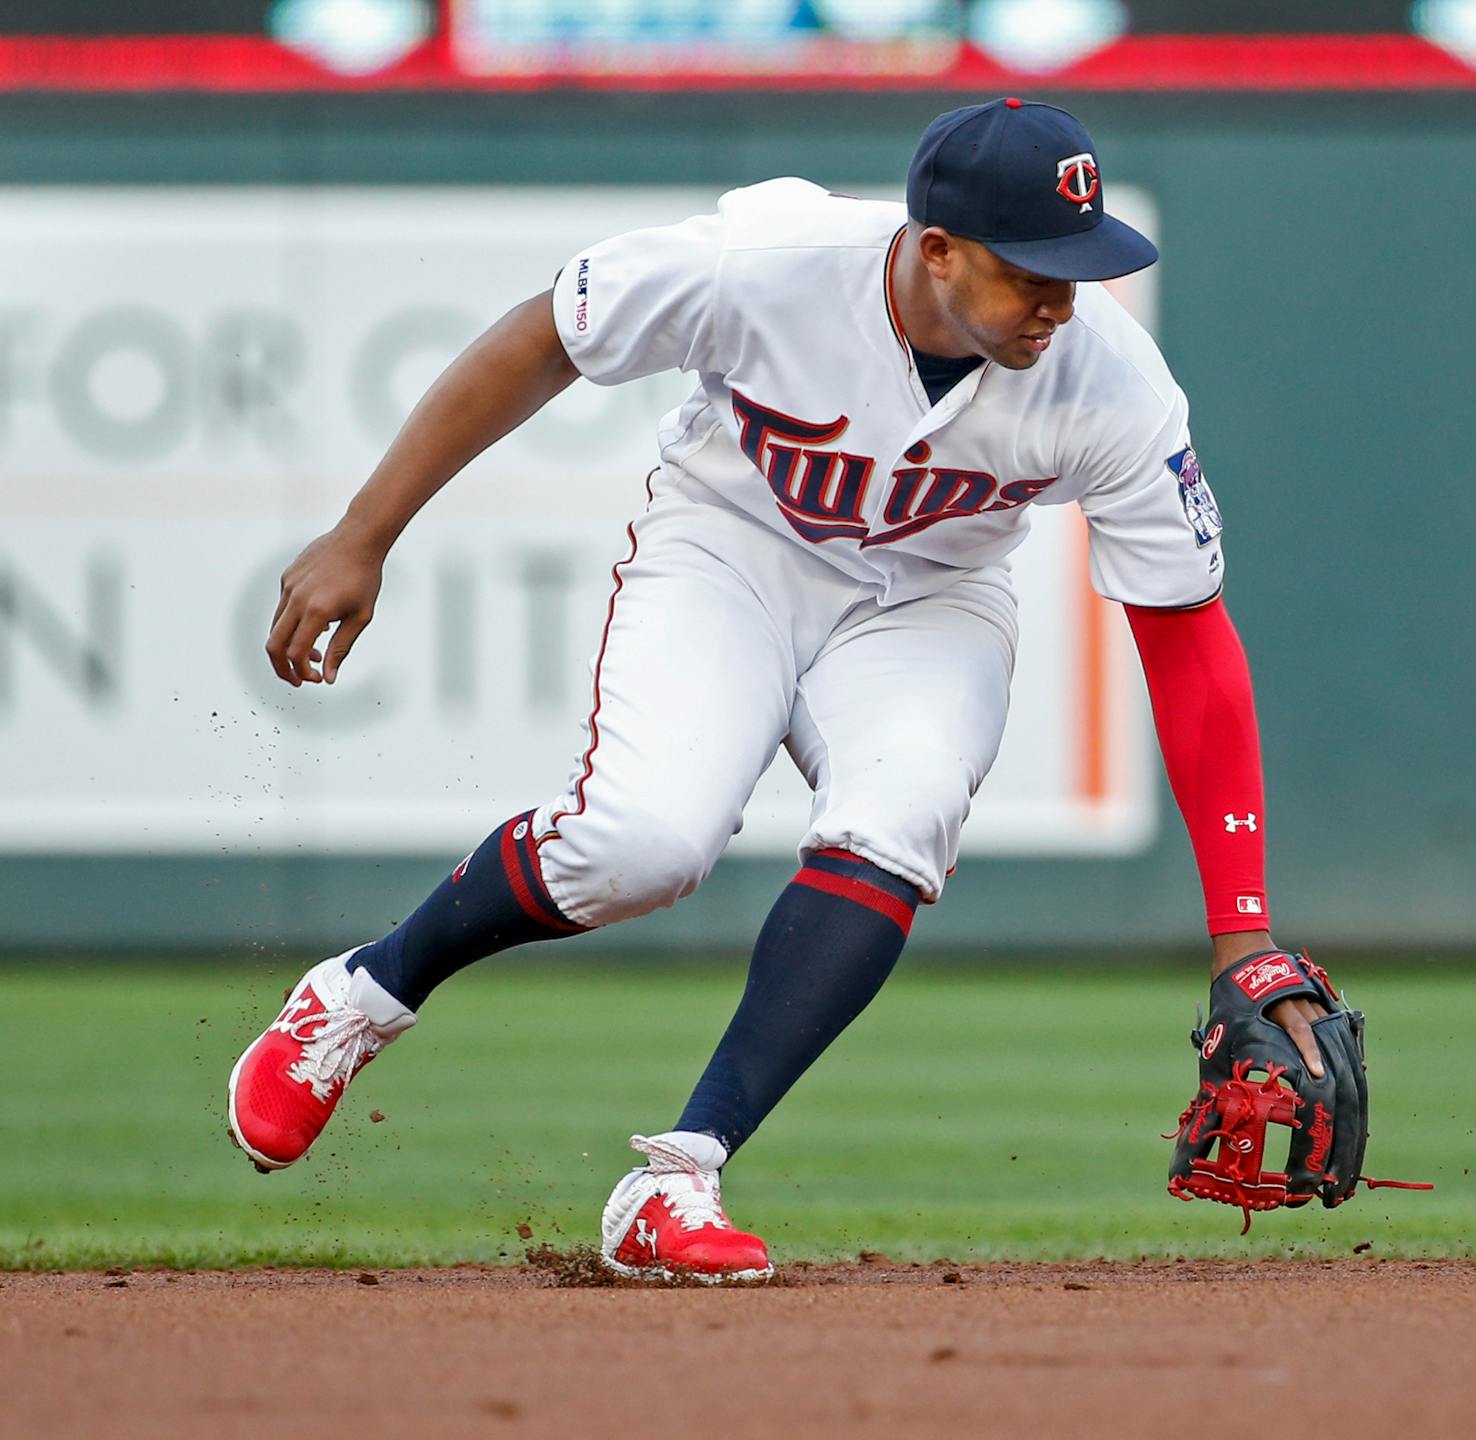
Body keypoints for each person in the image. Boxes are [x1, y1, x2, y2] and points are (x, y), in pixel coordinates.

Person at [225, 98, 1331, 1284]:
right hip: (733, 550)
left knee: (898, 823)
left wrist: (1242, 933)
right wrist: (365, 531)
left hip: (930, 597)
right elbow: (543, 337)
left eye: (1080, 267)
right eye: (1032, 273)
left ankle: (677, 1177)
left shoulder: (1106, 375)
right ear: (936, 246)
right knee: (641, 848)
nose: (1061, 302)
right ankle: (363, 992)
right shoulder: (766, 268)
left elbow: (1187, 638)